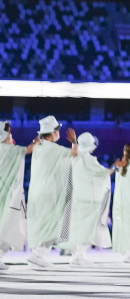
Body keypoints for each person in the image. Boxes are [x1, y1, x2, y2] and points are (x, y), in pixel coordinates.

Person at [26, 115, 78, 269]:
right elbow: (74, 154)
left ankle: (38, 253)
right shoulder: (52, 149)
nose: (59, 133)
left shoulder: (39, 148)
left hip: (38, 191)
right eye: (58, 130)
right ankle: (39, 254)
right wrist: (74, 141)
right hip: (49, 193)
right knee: (52, 224)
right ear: (52, 132)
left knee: (43, 224)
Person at [63, 132, 115, 266]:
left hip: (76, 198)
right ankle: (79, 255)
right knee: (89, 229)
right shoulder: (89, 159)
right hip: (89, 201)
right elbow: (103, 173)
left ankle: (76, 254)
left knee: (78, 228)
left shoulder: (74, 157)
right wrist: (116, 166)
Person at [0, 121, 39, 269]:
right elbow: (30, 149)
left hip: (5, 195)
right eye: (9, 133)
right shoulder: (7, 149)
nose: (11, 135)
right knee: (8, 226)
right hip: (7, 197)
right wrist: (37, 140)